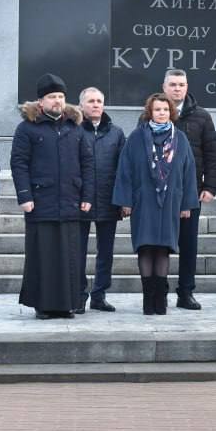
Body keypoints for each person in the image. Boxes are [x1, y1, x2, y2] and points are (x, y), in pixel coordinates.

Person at [11, 73, 94, 319]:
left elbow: (87, 163)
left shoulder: (75, 128)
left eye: (60, 96)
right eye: (51, 97)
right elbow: (19, 163)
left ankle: (67, 304)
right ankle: (43, 305)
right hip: (40, 201)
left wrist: (87, 195)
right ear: (41, 102)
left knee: (69, 256)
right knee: (43, 256)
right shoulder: (27, 128)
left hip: (70, 200)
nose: (57, 101)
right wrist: (25, 196)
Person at [112, 94, 200, 315]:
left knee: (163, 248)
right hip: (144, 201)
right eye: (157, 109)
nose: (161, 113)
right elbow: (125, 170)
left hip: (170, 202)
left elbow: (189, 173)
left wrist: (187, 204)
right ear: (149, 112)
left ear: (171, 112)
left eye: (165, 109)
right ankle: (147, 300)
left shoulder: (180, 138)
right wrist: (125, 201)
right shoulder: (136, 137)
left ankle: (160, 301)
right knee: (145, 247)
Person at [162, 69, 216, 310]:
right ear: (164, 87)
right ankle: (159, 292)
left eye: (181, 84)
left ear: (187, 86)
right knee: (160, 245)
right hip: (161, 193)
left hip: (191, 192)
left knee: (189, 245)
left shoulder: (202, 117)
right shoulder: (154, 113)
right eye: (173, 84)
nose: (177, 88)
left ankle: (185, 292)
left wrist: (210, 186)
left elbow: (213, 154)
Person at [78, 87, 126, 313]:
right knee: (77, 252)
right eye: (91, 101)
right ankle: (78, 295)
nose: (96, 105)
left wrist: (125, 200)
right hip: (81, 201)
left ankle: (99, 294)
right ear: (81, 106)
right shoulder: (73, 130)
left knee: (105, 251)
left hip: (109, 201)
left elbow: (124, 169)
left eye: (99, 101)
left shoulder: (116, 133)